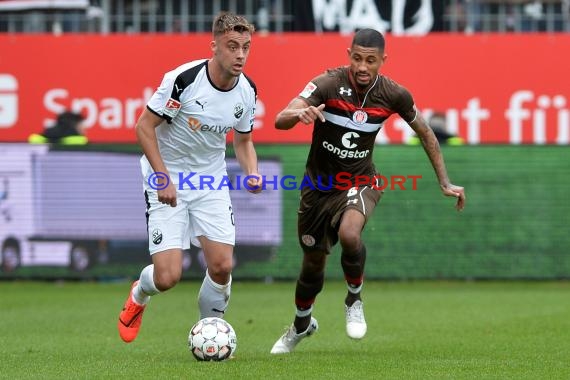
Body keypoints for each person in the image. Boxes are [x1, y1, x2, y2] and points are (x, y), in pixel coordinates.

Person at [270, 28, 466, 354]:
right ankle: (301, 325)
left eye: (370, 60)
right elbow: (280, 118)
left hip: (362, 182)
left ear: (382, 61)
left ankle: (354, 299)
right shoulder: (327, 84)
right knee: (313, 264)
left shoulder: (393, 94)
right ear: (349, 54)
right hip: (317, 189)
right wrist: (298, 114)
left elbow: (427, 133)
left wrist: (444, 182)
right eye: (357, 58)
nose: (363, 66)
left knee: (350, 233)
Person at [118, 12, 262, 344]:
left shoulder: (247, 91)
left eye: (246, 47)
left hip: (210, 180)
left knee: (223, 265)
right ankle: (140, 293)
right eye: (232, 46)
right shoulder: (183, 79)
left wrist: (252, 172)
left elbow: (243, 141)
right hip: (167, 176)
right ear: (215, 46)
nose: (240, 55)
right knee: (168, 277)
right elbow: (144, 127)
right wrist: (163, 178)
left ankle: (210, 337)